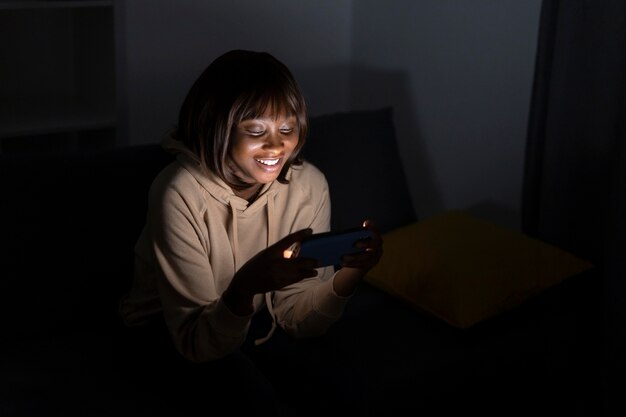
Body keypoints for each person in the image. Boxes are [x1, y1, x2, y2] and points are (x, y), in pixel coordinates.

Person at [117, 49, 383, 415]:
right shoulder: (178, 191)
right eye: (256, 131)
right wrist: (247, 286)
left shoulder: (308, 185)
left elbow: (295, 316)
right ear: (216, 128)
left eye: (287, 129)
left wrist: (349, 276)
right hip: (168, 330)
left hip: (247, 318)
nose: (277, 146)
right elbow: (196, 342)